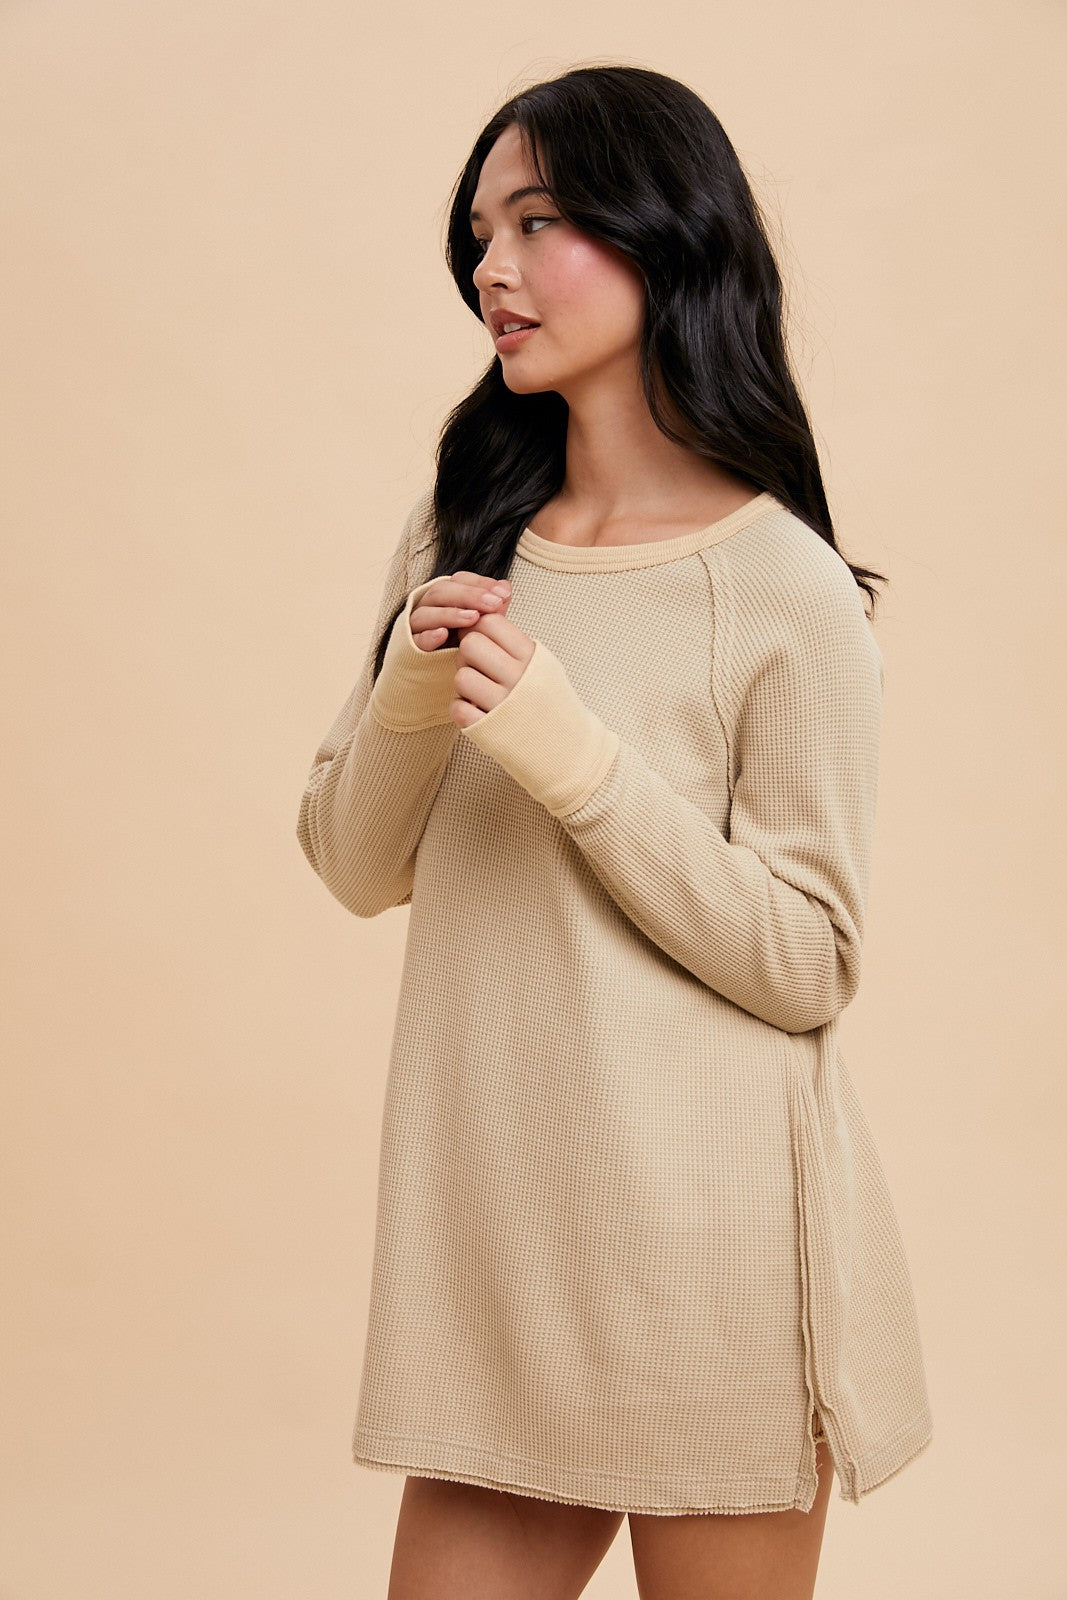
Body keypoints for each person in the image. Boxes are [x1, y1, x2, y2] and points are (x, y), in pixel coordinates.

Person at [296, 63, 932, 1600]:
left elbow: (810, 959)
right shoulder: (461, 536)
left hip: (712, 1266)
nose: (491, 270)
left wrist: (572, 757)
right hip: (502, 1268)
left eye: (538, 222)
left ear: (666, 238)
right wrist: (414, 693)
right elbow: (355, 866)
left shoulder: (785, 590)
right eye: (479, 236)